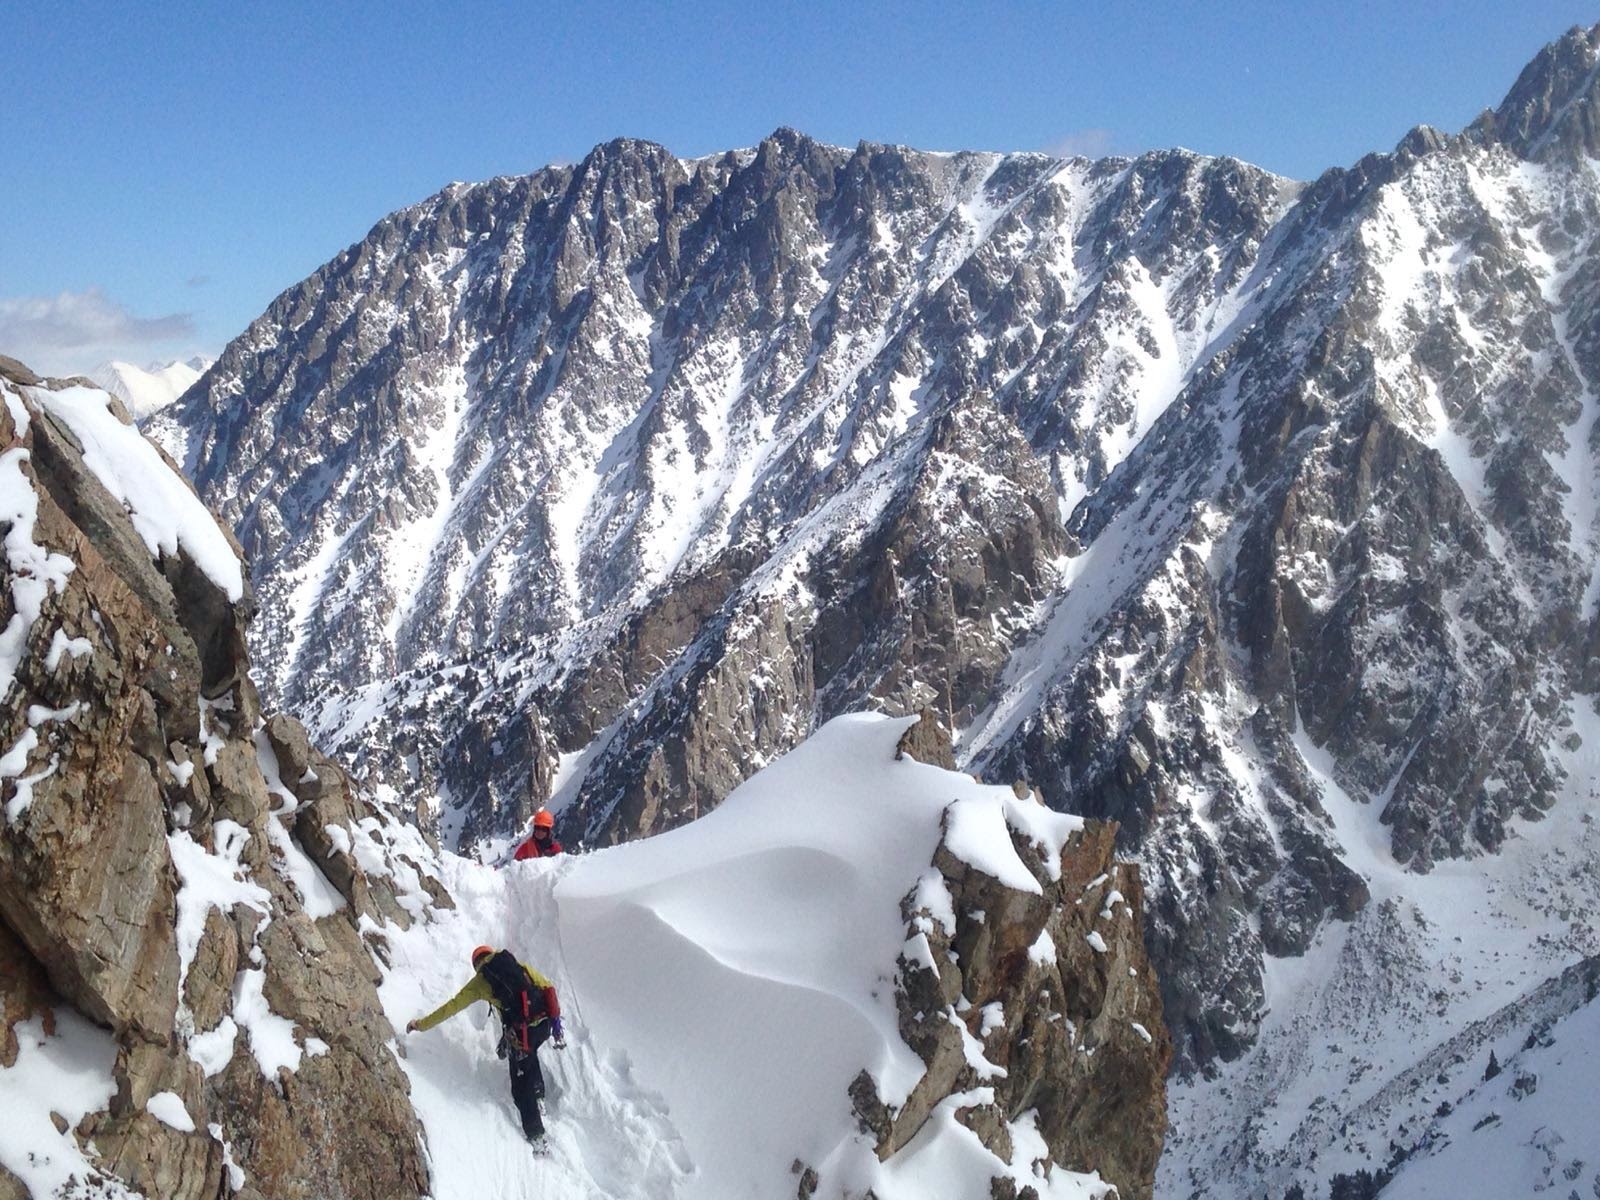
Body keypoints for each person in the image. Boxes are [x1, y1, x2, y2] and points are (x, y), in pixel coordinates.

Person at [405, 945, 566, 1148]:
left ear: (476, 965)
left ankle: (536, 1135)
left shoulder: (480, 982)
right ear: (491, 953)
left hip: (522, 1034)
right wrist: (556, 1024)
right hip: (543, 1025)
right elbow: (547, 987)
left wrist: (421, 1024)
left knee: (520, 1084)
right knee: (529, 1053)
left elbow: (452, 1007)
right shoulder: (516, 964)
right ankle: (539, 1095)